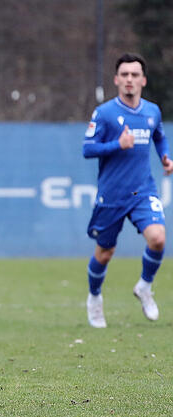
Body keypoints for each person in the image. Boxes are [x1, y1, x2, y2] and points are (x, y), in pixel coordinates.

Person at [82, 53, 173, 328]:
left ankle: (145, 286)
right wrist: (116, 145)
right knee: (104, 252)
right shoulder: (105, 113)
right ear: (116, 80)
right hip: (112, 194)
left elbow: (159, 135)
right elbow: (87, 149)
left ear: (143, 80)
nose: (129, 80)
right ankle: (95, 298)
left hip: (142, 191)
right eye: (124, 75)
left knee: (158, 238)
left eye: (134, 75)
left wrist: (165, 157)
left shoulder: (152, 111)